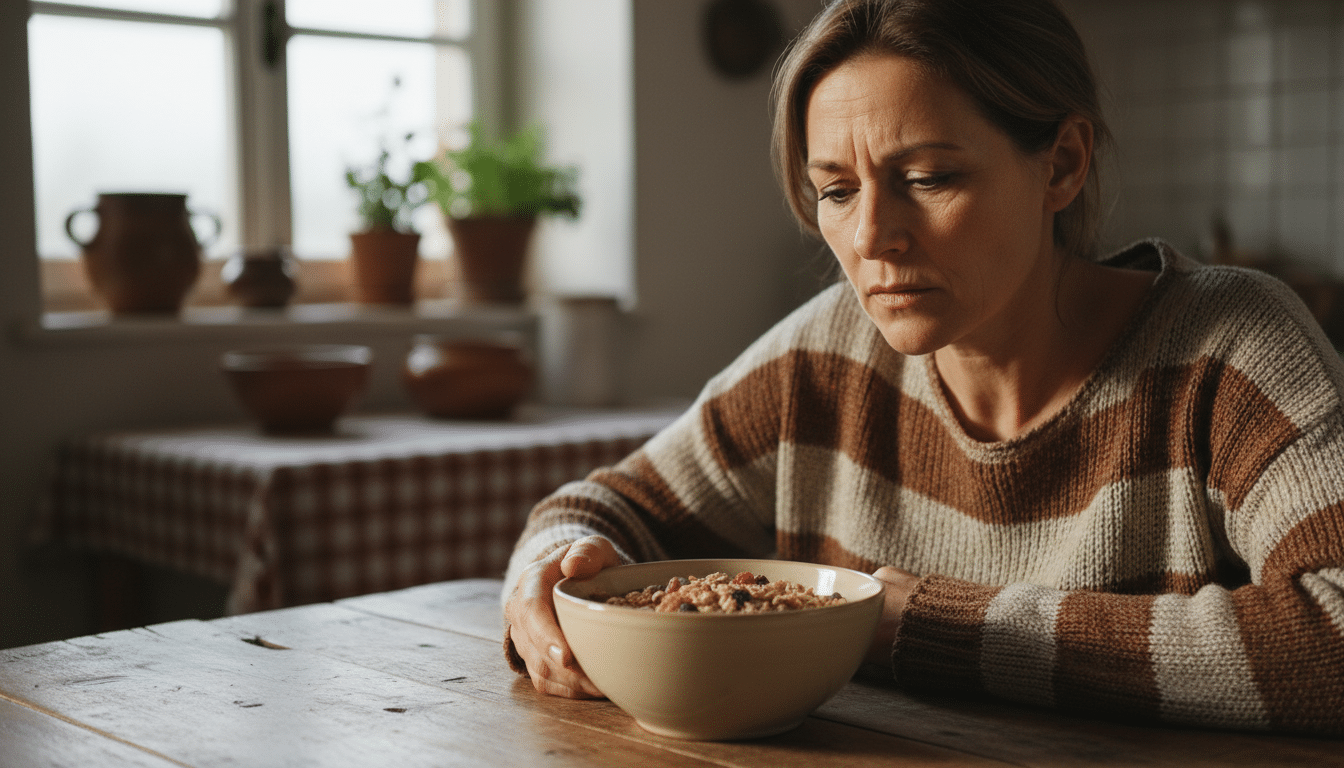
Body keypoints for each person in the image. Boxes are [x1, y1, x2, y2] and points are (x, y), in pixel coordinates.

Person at [502, 0, 1344, 735]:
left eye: (928, 177)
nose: (871, 238)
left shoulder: (1232, 349)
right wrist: (552, 569)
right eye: (836, 190)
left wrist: (931, 627)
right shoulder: (823, 359)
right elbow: (606, 507)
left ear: (1062, 164)